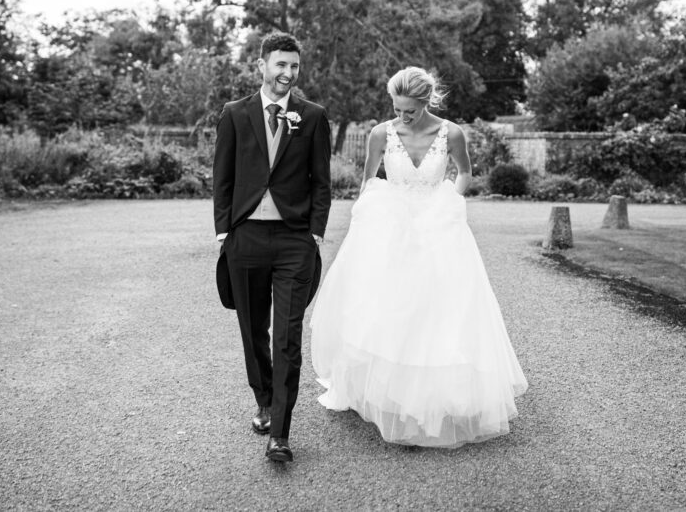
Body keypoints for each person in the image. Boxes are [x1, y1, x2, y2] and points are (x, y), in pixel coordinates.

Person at [310, 66, 527, 448]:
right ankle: (383, 392)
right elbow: (368, 181)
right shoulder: (381, 133)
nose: (402, 116)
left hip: (437, 224)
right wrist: (367, 215)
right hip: (391, 227)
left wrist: (449, 201)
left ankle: (436, 394)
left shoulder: (451, 133)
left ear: (426, 102)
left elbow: (464, 172)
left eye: (409, 110)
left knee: (438, 307)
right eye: (397, 108)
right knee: (387, 306)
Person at [213, 31, 332, 463]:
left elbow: (322, 182)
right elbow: (222, 178)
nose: (287, 73)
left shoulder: (313, 117)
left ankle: (280, 433)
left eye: (294, 66)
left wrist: (314, 233)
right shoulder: (234, 114)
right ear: (261, 65)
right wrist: (224, 234)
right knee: (253, 331)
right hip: (245, 238)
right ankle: (264, 400)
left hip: (293, 242)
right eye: (280, 64)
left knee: (286, 337)